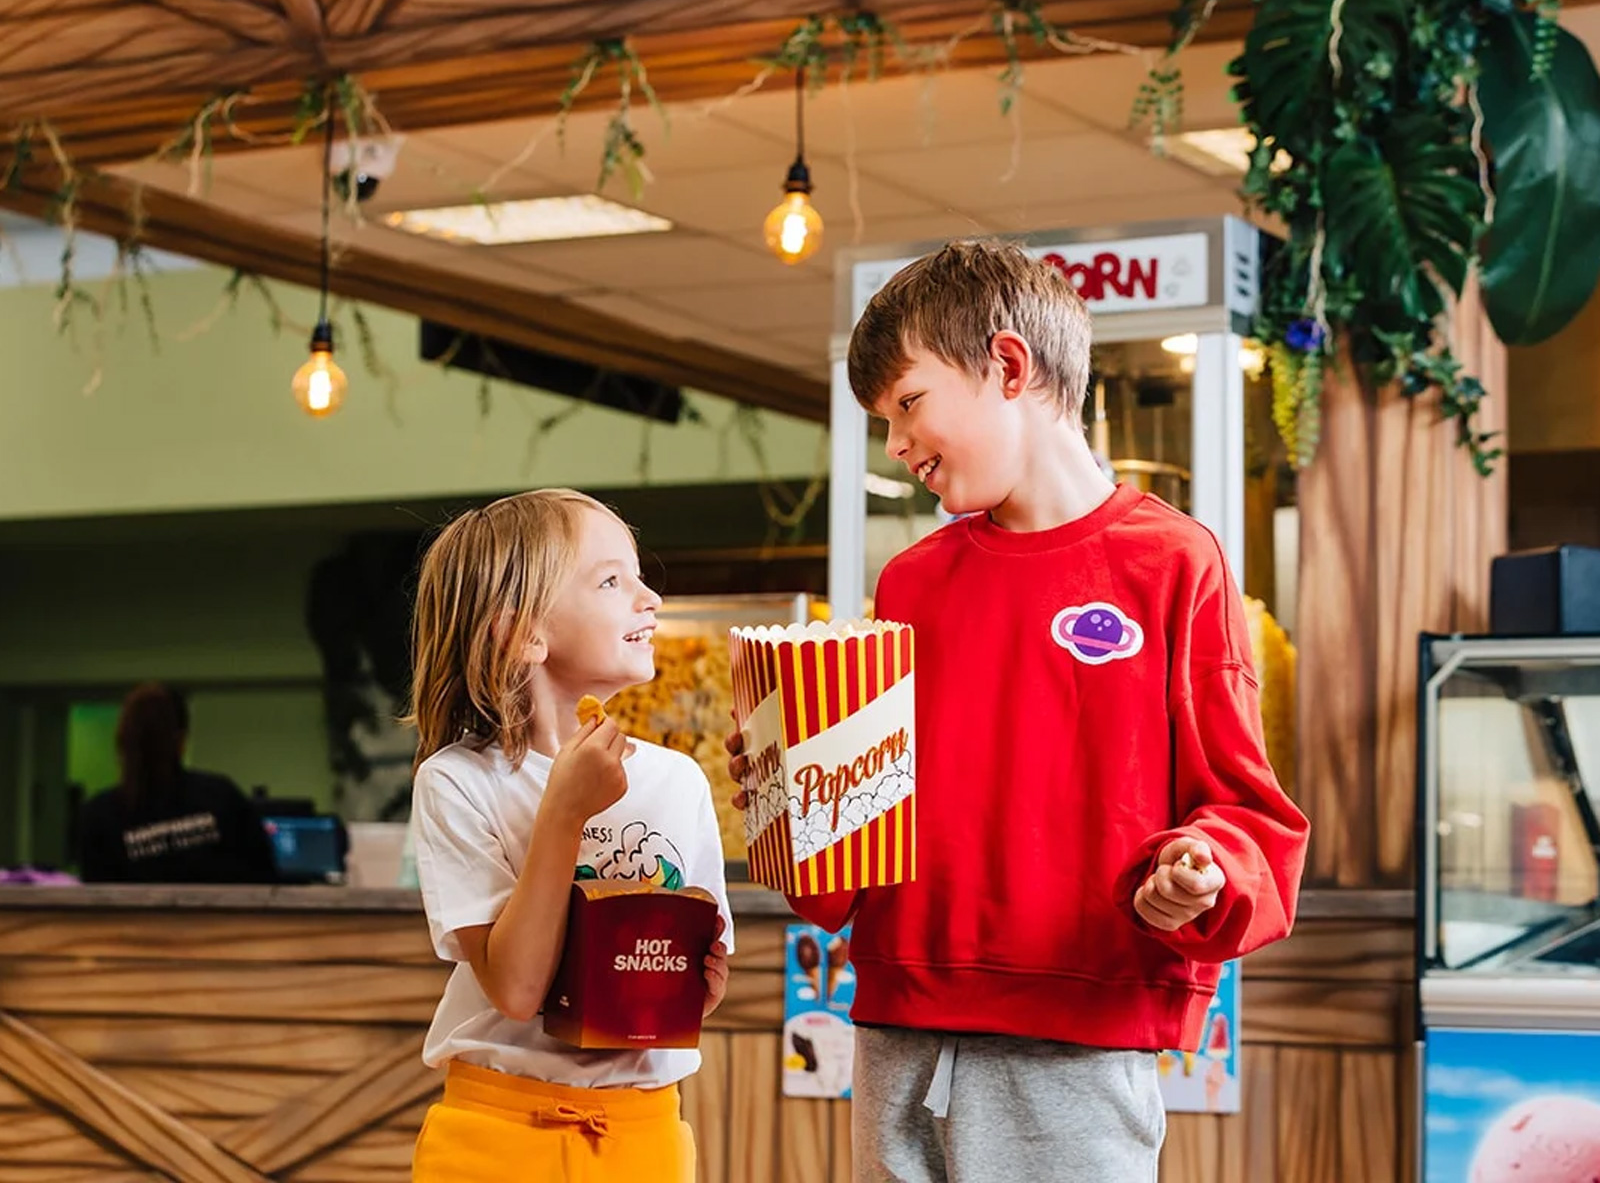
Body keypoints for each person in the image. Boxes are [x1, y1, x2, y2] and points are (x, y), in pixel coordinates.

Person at [728, 241, 1309, 1182]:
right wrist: (781, 789)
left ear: (1007, 366)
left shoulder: (1173, 565)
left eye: (909, 403)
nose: (897, 445)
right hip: (895, 1036)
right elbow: (840, 873)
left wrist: (1198, 875)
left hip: (1079, 1047)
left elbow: (1246, 813)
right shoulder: (910, 584)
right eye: (883, 421)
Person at [406, 488, 733, 1183]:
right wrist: (564, 813)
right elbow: (518, 990)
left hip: (648, 1134)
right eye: (613, 580)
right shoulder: (457, 782)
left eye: (640, 575)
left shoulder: (679, 782)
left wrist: (702, 980)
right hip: (498, 1135)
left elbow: (690, 982)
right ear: (523, 633)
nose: (650, 598)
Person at [77, 682, 278, 884]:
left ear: (122, 742)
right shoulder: (220, 797)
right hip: (216, 916)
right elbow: (265, 883)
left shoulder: (99, 815)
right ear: (181, 740)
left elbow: (97, 902)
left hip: (134, 918)